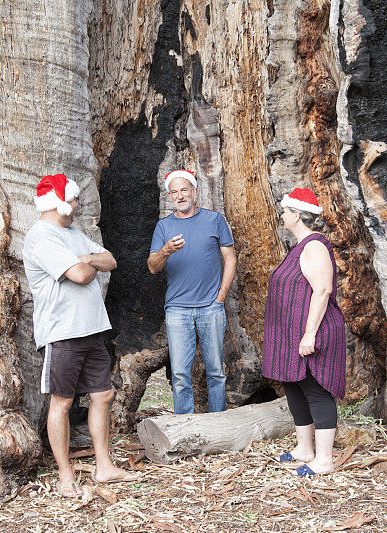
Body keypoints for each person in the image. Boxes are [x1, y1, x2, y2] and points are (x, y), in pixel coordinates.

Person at [23, 173, 140, 496]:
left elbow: (110, 260)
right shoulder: (41, 237)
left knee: (102, 395)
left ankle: (104, 467)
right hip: (62, 333)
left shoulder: (73, 234)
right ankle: (65, 475)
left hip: (92, 328)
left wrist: (87, 258)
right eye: (73, 199)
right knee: (62, 402)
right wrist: (87, 264)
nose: (77, 204)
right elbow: (79, 276)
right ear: (58, 204)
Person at [262, 187, 347, 476]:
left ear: (296, 215)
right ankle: (304, 449)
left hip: (314, 332)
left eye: (285, 211)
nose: (282, 216)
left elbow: (322, 291)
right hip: (289, 334)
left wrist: (309, 334)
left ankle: (324, 460)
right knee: (293, 384)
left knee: (316, 389)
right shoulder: (301, 246)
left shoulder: (314, 246)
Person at [148, 169, 237, 414]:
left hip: (211, 307)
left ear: (194, 192)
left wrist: (220, 297)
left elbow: (230, 258)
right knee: (179, 374)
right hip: (177, 309)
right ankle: (184, 426)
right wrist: (165, 251)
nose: (180, 196)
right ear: (170, 196)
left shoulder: (214, 219)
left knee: (216, 371)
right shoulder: (164, 226)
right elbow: (153, 267)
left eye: (184, 190)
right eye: (174, 192)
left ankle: (218, 422)